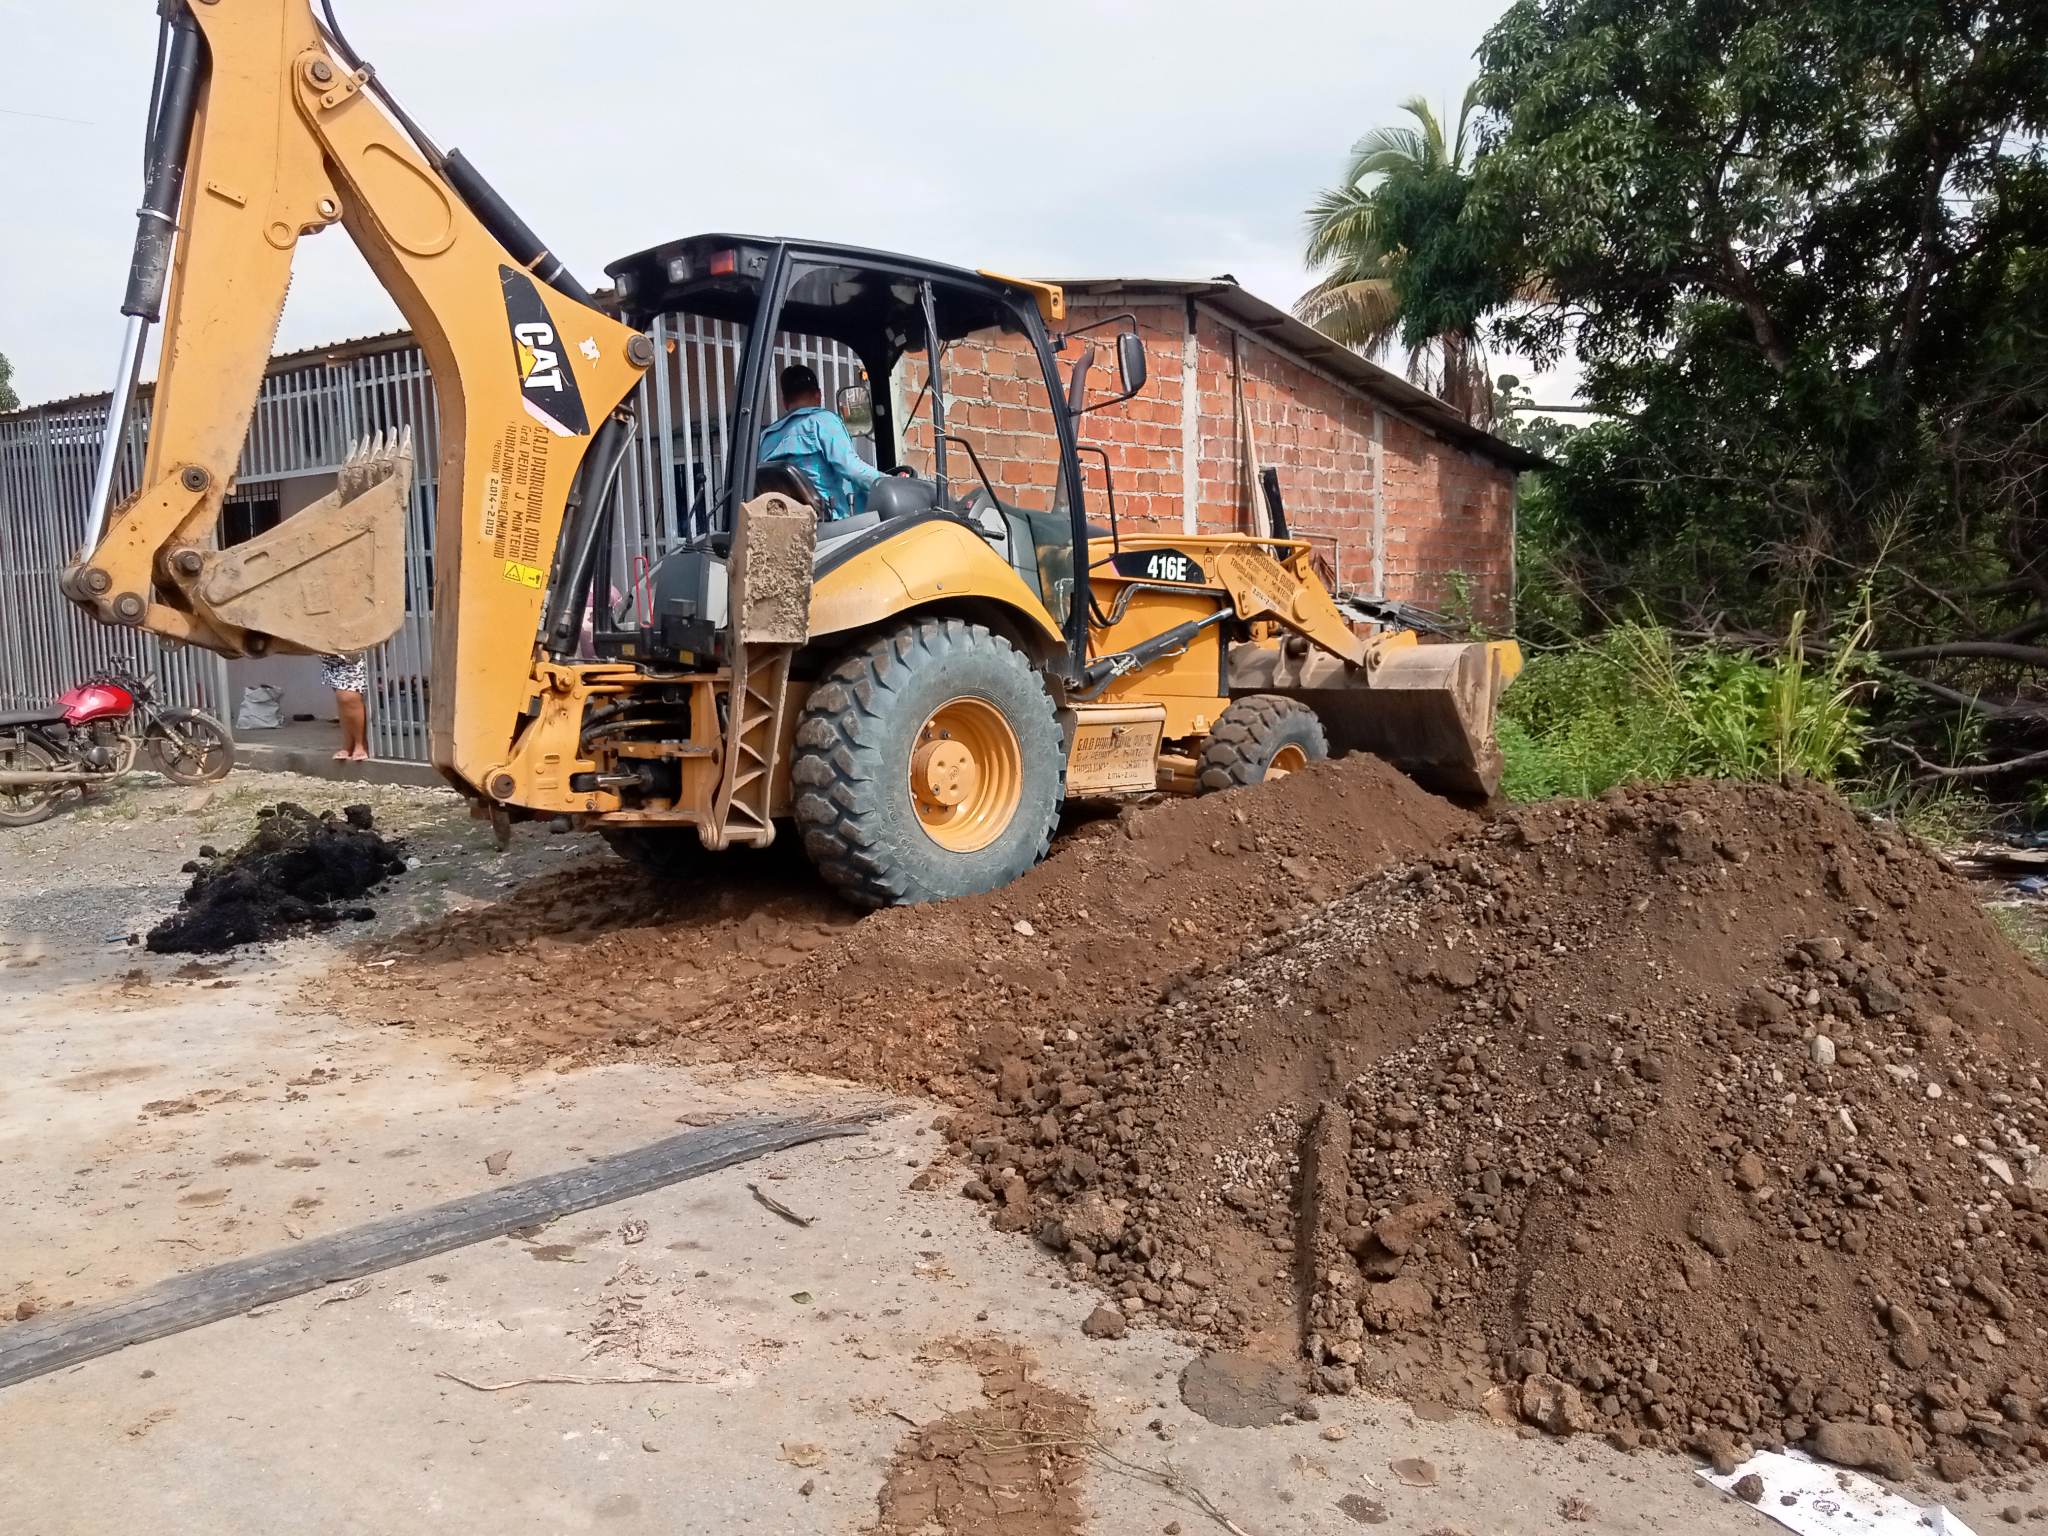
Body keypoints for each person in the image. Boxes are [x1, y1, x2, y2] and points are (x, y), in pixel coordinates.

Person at [758, 363, 884, 520]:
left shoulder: (766, 437)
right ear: (818, 395)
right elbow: (853, 469)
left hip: (790, 523)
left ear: (784, 402)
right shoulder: (823, 421)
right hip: (833, 522)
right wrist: (891, 482)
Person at [321, 651, 370, 761]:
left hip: (354, 653)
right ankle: (349, 743)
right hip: (332, 655)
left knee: (348, 696)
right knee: (343, 700)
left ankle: (361, 743)